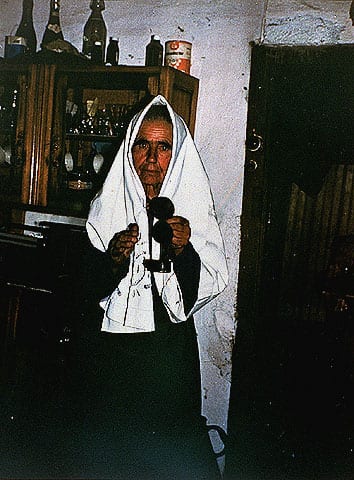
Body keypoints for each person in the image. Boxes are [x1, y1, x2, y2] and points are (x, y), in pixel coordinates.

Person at [77, 94, 228, 479]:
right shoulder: (107, 206)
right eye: (143, 144)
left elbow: (210, 280)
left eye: (163, 147)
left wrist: (183, 249)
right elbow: (79, 290)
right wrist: (112, 260)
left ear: (175, 154)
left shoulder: (192, 207)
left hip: (166, 354)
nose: (151, 158)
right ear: (130, 148)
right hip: (113, 354)